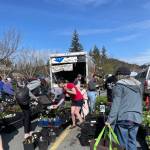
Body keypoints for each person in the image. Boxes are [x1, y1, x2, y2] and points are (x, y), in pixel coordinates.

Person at [105, 66, 143, 150]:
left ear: (119, 75)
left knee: (122, 144)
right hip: (136, 118)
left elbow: (116, 104)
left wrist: (109, 120)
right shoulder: (138, 85)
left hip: (124, 118)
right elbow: (140, 102)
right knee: (132, 142)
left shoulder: (119, 85)